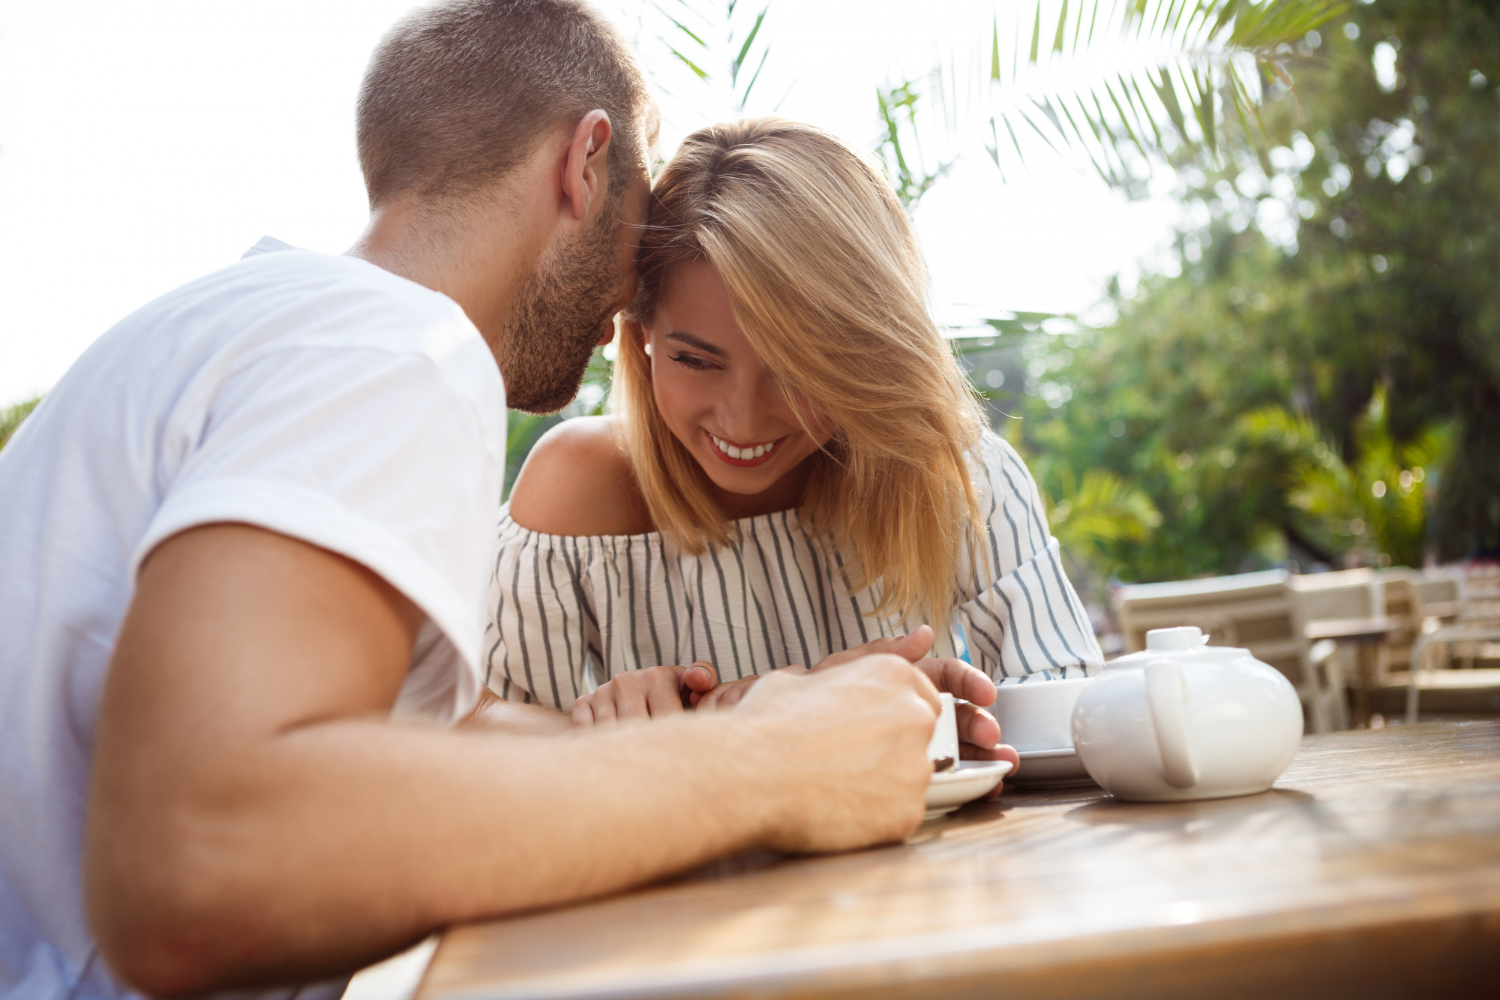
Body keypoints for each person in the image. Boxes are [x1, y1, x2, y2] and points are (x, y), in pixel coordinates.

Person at [0, 5, 962, 999]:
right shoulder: (393, 350)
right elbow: (194, 869)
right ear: (585, 163)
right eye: (640, 216)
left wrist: (754, 712)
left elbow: (422, 756)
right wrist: (772, 765)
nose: (623, 313)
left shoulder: (262, 324)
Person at [490, 119, 1103, 746]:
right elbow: (472, 754)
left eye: (797, 370)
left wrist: (969, 731)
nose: (742, 421)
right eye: (695, 361)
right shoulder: (575, 492)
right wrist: (626, 730)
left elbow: (1075, 717)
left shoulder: (954, 474)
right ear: (642, 332)